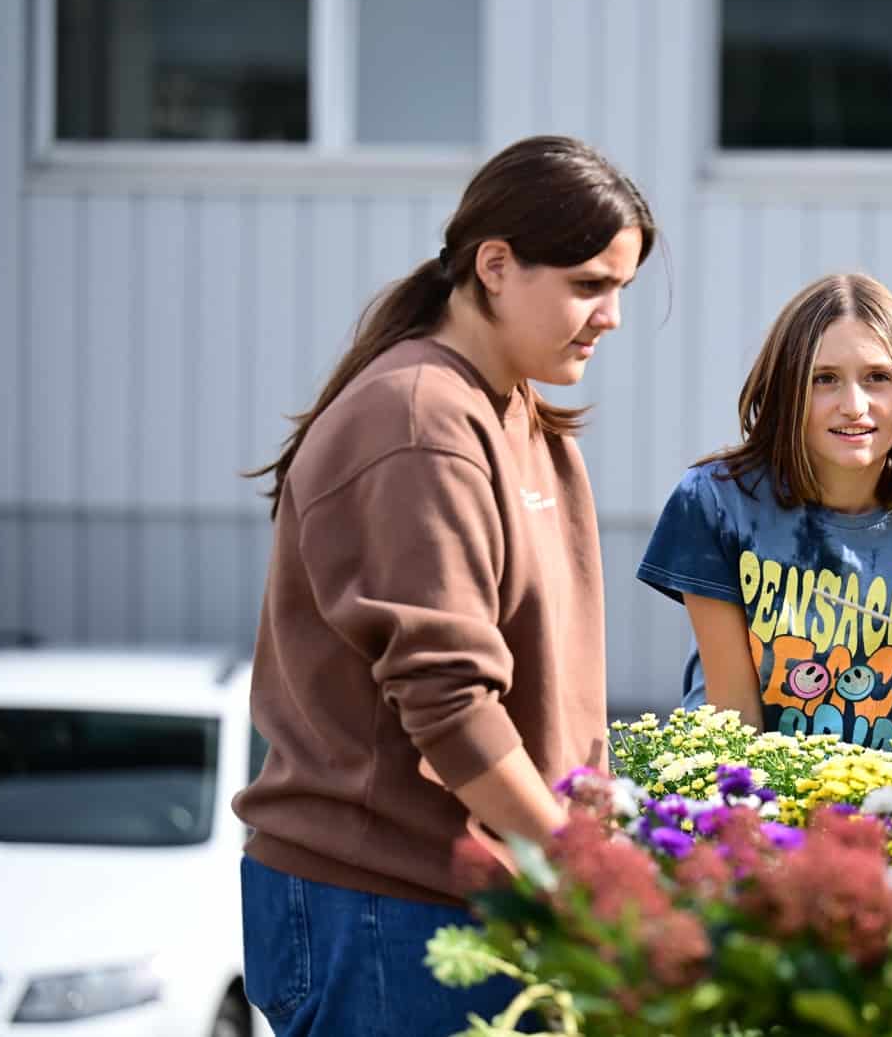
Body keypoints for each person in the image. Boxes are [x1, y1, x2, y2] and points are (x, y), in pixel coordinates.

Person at [232, 135, 655, 1036]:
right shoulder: (420, 419)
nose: (611, 314)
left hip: (459, 900)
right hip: (382, 907)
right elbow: (451, 702)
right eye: (589, 284)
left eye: (622, 287)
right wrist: (585, 867)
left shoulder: (519, 414)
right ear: (495, 266)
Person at [638, 273, 892, 759]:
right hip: (745, 792)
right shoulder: (715, 500)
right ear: (788, 390)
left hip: (886, 805)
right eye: (824, 379)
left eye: (878, 378)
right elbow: (732, 711)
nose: (854, 406)